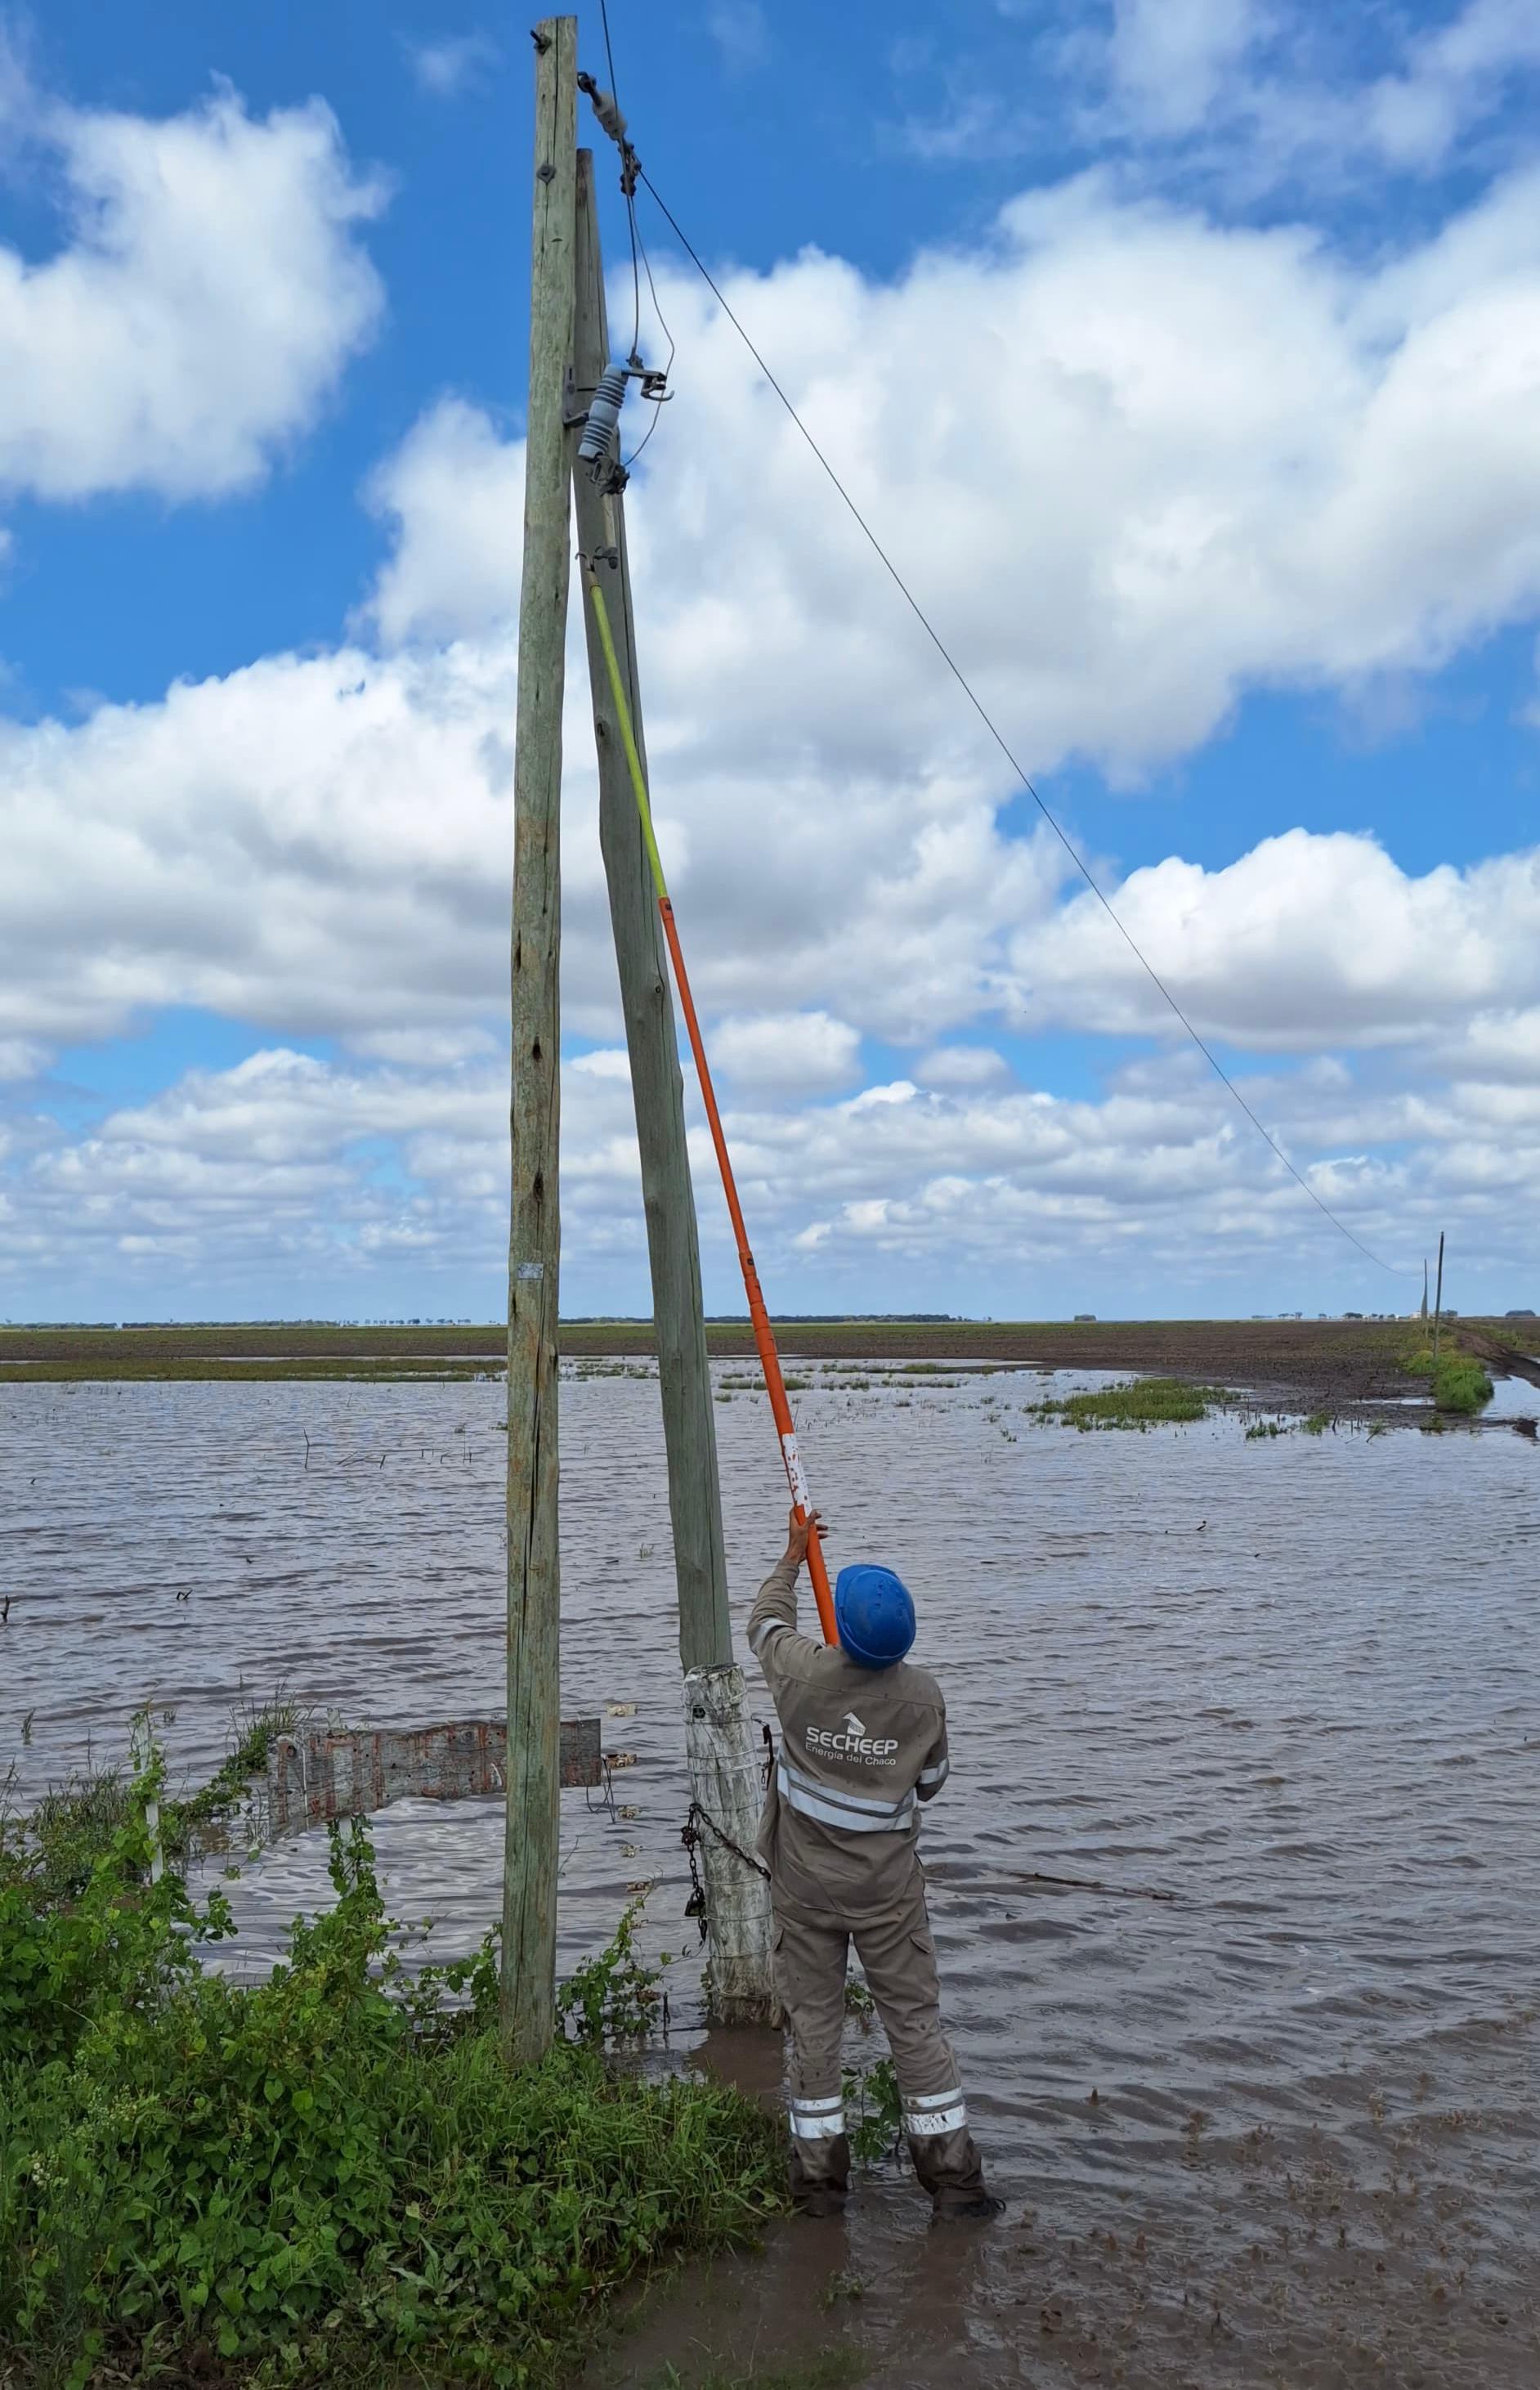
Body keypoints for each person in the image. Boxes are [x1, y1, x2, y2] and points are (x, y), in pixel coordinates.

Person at [746, 1505, 1001, 2221]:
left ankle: (818, 2189)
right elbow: (932, 1782)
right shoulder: (923, 1698)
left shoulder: (802, 1673)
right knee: (914, 2024)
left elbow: (763, 1623)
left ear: (845, 1632)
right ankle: (955, 2185)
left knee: (815, 2028)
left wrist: (793, 1554)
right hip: (888, 1896)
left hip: (804, 1890)